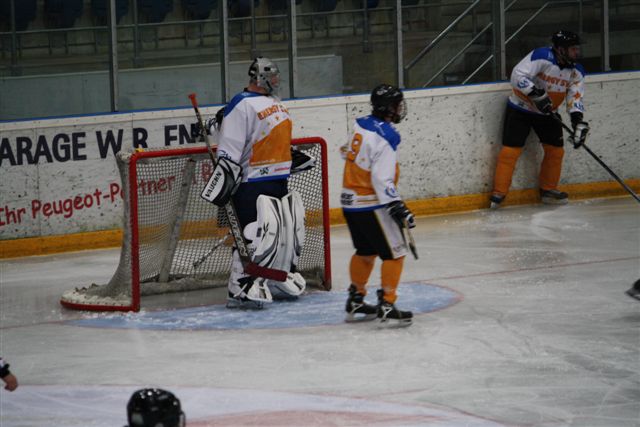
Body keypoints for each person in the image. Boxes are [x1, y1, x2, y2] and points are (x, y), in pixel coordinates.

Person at [200, 57, 311, 309]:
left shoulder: (275, 102)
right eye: (273, 76)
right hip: (251, 181)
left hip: (278, 178)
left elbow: (275, 139)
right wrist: (226, 179)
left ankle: (273, 278)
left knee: (281, 232)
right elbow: (229, 148)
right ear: (260, 77)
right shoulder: (241, 104)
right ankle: (239, 286)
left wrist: (291, 157)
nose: (277, 80)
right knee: (253, 234)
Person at [340, 83, 415, 327]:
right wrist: (396, 205)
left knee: (365, 252)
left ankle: (356, 300)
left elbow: (345, 151)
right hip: (371, 204)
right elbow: (381, 178)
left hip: (350, 202)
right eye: (397, 104)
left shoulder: (361, 124)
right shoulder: (387, 136)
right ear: (388, 107)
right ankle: (387, 304)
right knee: (395, 254)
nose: (400, 108)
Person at [489, 30, 589, 208]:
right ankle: (499, 193)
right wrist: (535, 93)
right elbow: (517, 74)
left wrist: (577, 120)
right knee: (510, 151)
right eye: (573, 49)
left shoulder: (577, 71)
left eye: (577, 48)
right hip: (520, 108)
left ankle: (548, 189)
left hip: (548, 114)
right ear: (561, 49)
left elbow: (575, 97)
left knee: (556, 151)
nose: (577, 52)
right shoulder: (542, 56)